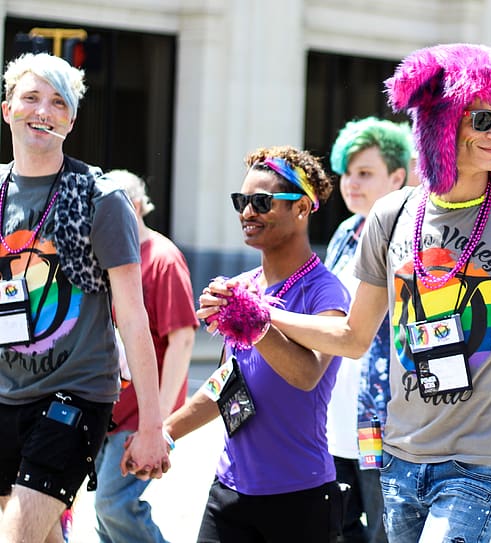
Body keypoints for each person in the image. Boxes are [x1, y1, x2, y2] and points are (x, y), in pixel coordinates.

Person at [199, 43, 491, 543]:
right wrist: (261, 315)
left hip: (481, 465)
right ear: (442, 123)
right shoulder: (391, 214)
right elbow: (353, 337)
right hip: (400, 458)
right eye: (483, 118)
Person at [0, 53, 170, 542]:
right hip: (6, 393)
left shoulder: (100, 196)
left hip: (73, 394)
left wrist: (152, 426)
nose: (43, 111)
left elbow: (134, 317)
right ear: (7, 109)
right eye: (31, 98)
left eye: (58, 103)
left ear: (71, 121)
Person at [164, 145, 350, 542]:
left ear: (301, 208)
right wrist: (165, 433)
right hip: (228, 493)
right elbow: (226, 384)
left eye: (261, 202)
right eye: (241, 201)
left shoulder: (326, 293)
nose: (247, 212)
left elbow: (306, 374)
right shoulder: (243, 287)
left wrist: (256, 324)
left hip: (300, 498)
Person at [93, 170, 198, 543]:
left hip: (142, 416)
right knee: (106, 516)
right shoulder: (110, 258)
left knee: (113, 505)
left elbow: (182, 342)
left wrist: (160, 424)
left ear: (134, 207)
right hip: (108, 408)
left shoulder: (163, 259)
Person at [325, 117, 412, 543]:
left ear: (397, 177)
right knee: (335, 527)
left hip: (381, 414)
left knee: (386, 529)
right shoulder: (344, 233)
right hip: (334, 412)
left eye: (365, 173)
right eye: (346, 172)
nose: (350, 183)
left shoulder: (410, 237)